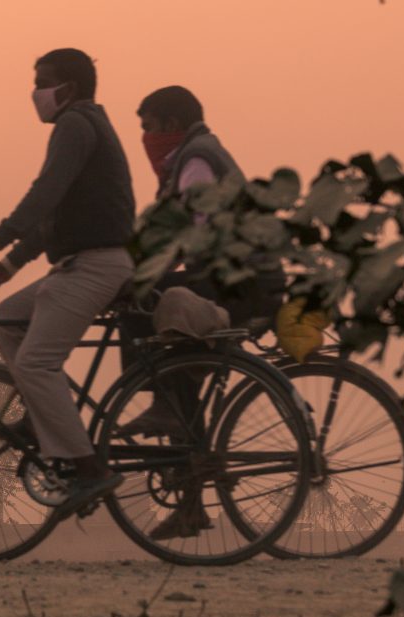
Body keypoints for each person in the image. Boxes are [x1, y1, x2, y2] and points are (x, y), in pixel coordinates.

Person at [0, 48, 136, 518]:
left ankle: (90, 469)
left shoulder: (75, 124)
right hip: (82, 263)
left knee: (36, 364)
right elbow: (55, 213)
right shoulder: (85, 123)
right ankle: (44, 422)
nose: (35, 92)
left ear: (69, 88)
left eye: (42, 82)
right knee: (9, 316)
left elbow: (45, 192)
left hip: (96, 266)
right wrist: (11, 263)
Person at [122, 86, 286, 539]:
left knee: (138, 307)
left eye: (149, 127)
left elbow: (196, 232)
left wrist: (144, 273)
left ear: (172, 124)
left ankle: (161, 404)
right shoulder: (188, 160)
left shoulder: (196, 161)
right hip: (233, 278)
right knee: (177, 365)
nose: (146, 138)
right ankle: (190, 502)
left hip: (241, 284)